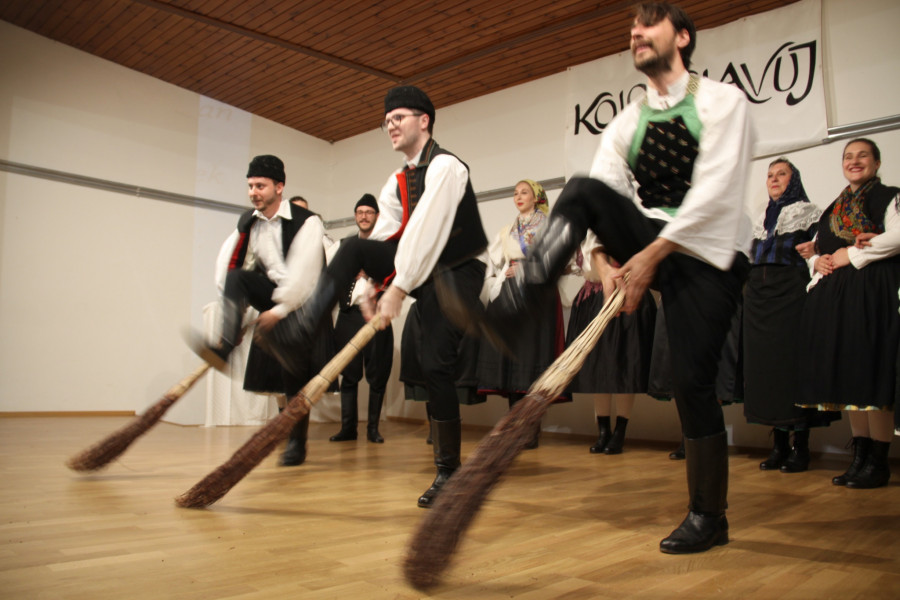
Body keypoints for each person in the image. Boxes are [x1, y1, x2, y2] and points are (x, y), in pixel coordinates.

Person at [485, 2, 754, 553]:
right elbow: (607, 191)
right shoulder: (626, 122)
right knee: (582, 189)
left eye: (648, 23)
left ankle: (709, 516)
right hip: (653, 239)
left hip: (711, 252)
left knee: (691, 381)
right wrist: (606, 264)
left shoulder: (722, 101)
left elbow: (716, 192)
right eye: (632, 27)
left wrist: (650, 258)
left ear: (682, 36)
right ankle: (521, 304)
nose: (635, 32)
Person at [273, 85, 489, 508]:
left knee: (435, 365)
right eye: (386, 120)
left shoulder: (446, 167)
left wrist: (399, 287)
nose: (390, 125)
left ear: (424, 121)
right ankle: (306, 326)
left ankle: (449, 471)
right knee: (355, 248)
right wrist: (372, 288)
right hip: (421, 267)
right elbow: (388, 236)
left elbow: (427, 232)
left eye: (399, 118)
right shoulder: (396, 180)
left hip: (456, 271)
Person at [191, 154, 333, 466]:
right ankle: (224, 348)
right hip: (274, 295)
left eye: (260, 186)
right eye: (250, 186)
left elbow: (305, 278)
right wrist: (236, 317)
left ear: (279, 187)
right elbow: (231, 266)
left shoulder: (308, 221)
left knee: (293, 375)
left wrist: (279, 311)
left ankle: (297, 443)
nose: (253, 192)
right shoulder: (250, 222)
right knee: (236, 278)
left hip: (304, 304)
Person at [797, 138, 900, 489]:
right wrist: (817, 260)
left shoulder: (890, 197)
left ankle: (878, 463)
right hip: (838, 301)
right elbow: (818, 249)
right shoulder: (834, 208)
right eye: (848, 157)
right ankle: (860, 458)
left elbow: (897, 236)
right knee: (850, 378)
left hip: (872, 296)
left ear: (877, 162)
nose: (854, 161)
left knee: (871, 374)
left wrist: (850, 255)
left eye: (863, 156)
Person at [743, 158, 838, 472]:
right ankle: (779, 445)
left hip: (791, 298)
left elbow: (820, 253)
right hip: (759, 301)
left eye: (781, 174)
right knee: (767, 373)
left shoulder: (810, 213)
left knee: (791, 370)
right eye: (770, 175)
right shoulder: (760, 218)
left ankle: (801, 447)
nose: (774, 179)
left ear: (793, 179)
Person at [477, 179, 566, 449]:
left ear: (537, 197)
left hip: (537, 295)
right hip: (510, 294)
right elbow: (492, 262)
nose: (518, 196)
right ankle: (513, 427)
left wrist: (527, 270)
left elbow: (560, 260)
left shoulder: (549, 227)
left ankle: (530, 429)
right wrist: (498, 280)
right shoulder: (507, 231)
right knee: (512, 359)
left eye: (524, 192)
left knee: (534, 356)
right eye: (515, 193)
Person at [567, 233, 656, 454]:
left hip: (625, 297)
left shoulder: (625, 226)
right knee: (599, 369)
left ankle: (620, 431)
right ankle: (603, 431)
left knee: (624, 366)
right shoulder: (586, 235)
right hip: (594, 299)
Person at [328, 194, 394, 444]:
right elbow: (329, 275)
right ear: (355, 216)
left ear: (377, 216)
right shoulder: (343, 245)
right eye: (360, 212)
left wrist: (372, 270)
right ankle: (348, 429)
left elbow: (399, 276)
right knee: (348, 373)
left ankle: (373, 430)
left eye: (369, 212)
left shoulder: (387, 246)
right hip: (348, 316)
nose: (364, 216)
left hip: (377, 316)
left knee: (377, 375)